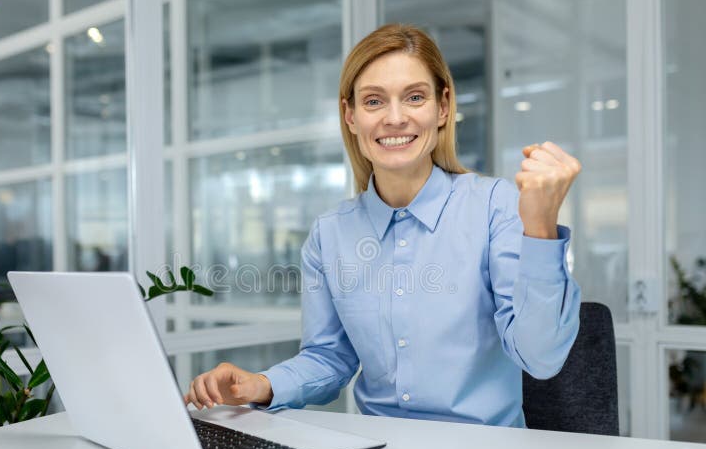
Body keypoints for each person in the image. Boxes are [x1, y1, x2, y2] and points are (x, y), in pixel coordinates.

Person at [185, 24, 581, 428]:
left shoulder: (496, 207)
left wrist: (540, 228)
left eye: (414, 97)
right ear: (350, 115)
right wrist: (261, 385)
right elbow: (329, 357)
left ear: (443, 107)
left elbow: (541, 358)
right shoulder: (330, 234)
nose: (395, 118)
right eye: (374, 101)